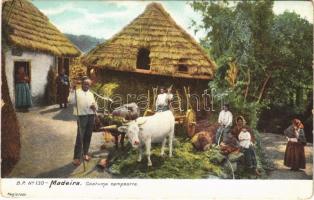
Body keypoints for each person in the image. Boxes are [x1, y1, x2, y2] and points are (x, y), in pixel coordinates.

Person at [69, 77, 98, 166]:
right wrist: (72, 90)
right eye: (85, 84)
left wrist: (95, 107)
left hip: (91, 116)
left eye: (88, 84)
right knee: (80, 136)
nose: (86, 86)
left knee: (88, 135)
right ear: (82, 84)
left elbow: (95, 105)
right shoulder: (77, 92)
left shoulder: (90, 94)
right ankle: (76, 157)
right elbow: (71, 102)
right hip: (82, 116)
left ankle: (85, 153)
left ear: (90, 85)